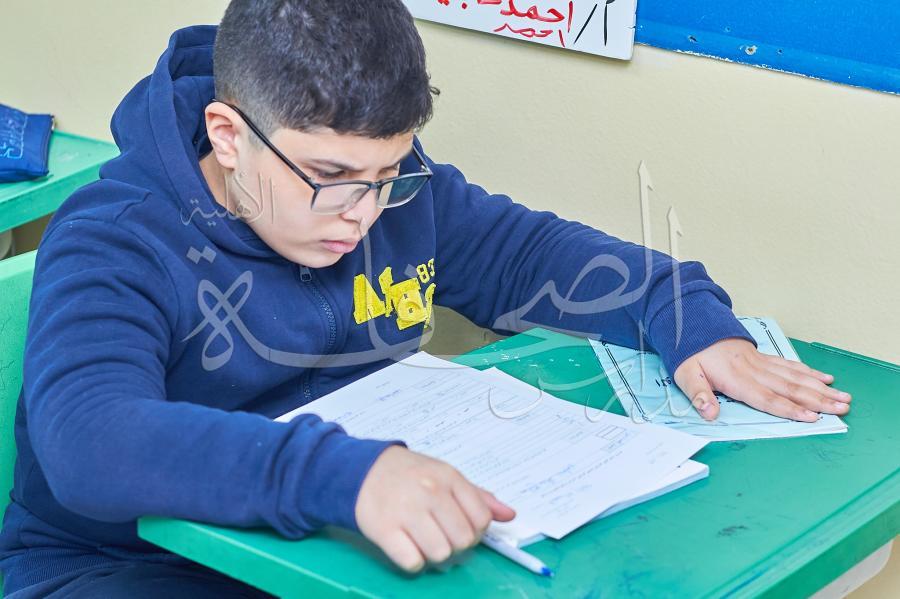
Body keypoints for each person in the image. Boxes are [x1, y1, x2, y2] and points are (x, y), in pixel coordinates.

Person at [0, 1, 852, 596]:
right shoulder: (115, 237)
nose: (362, 214)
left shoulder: (394, 194)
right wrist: (344, 473)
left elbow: (529, 255)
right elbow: (89, 439)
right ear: (229, 136)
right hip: (128, 569)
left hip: (330, 550)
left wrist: (682, 314)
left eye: (387, 174)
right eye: (330, 177)